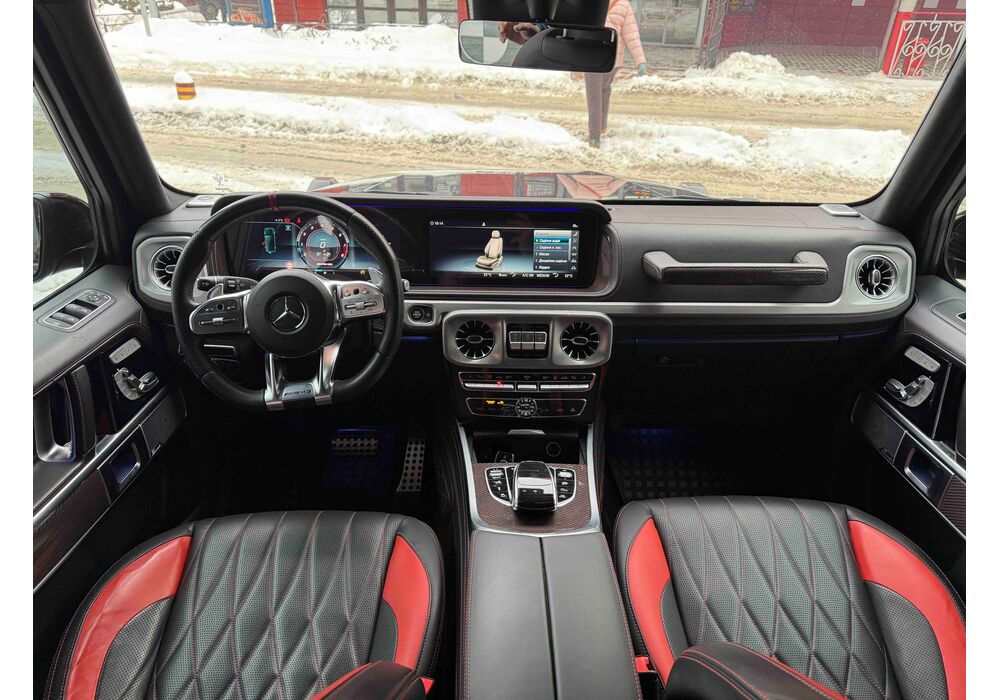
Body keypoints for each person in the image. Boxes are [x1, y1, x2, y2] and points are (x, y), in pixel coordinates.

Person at [586, 0, 647, 149]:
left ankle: (594, 137)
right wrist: (640, 61)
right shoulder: (623, 4)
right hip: (612, 59)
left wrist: (640, 61)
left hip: (592, 57)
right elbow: (631, 35)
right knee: (604, 91)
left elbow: (579, 31)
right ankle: (601, 127)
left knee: (595, 95)